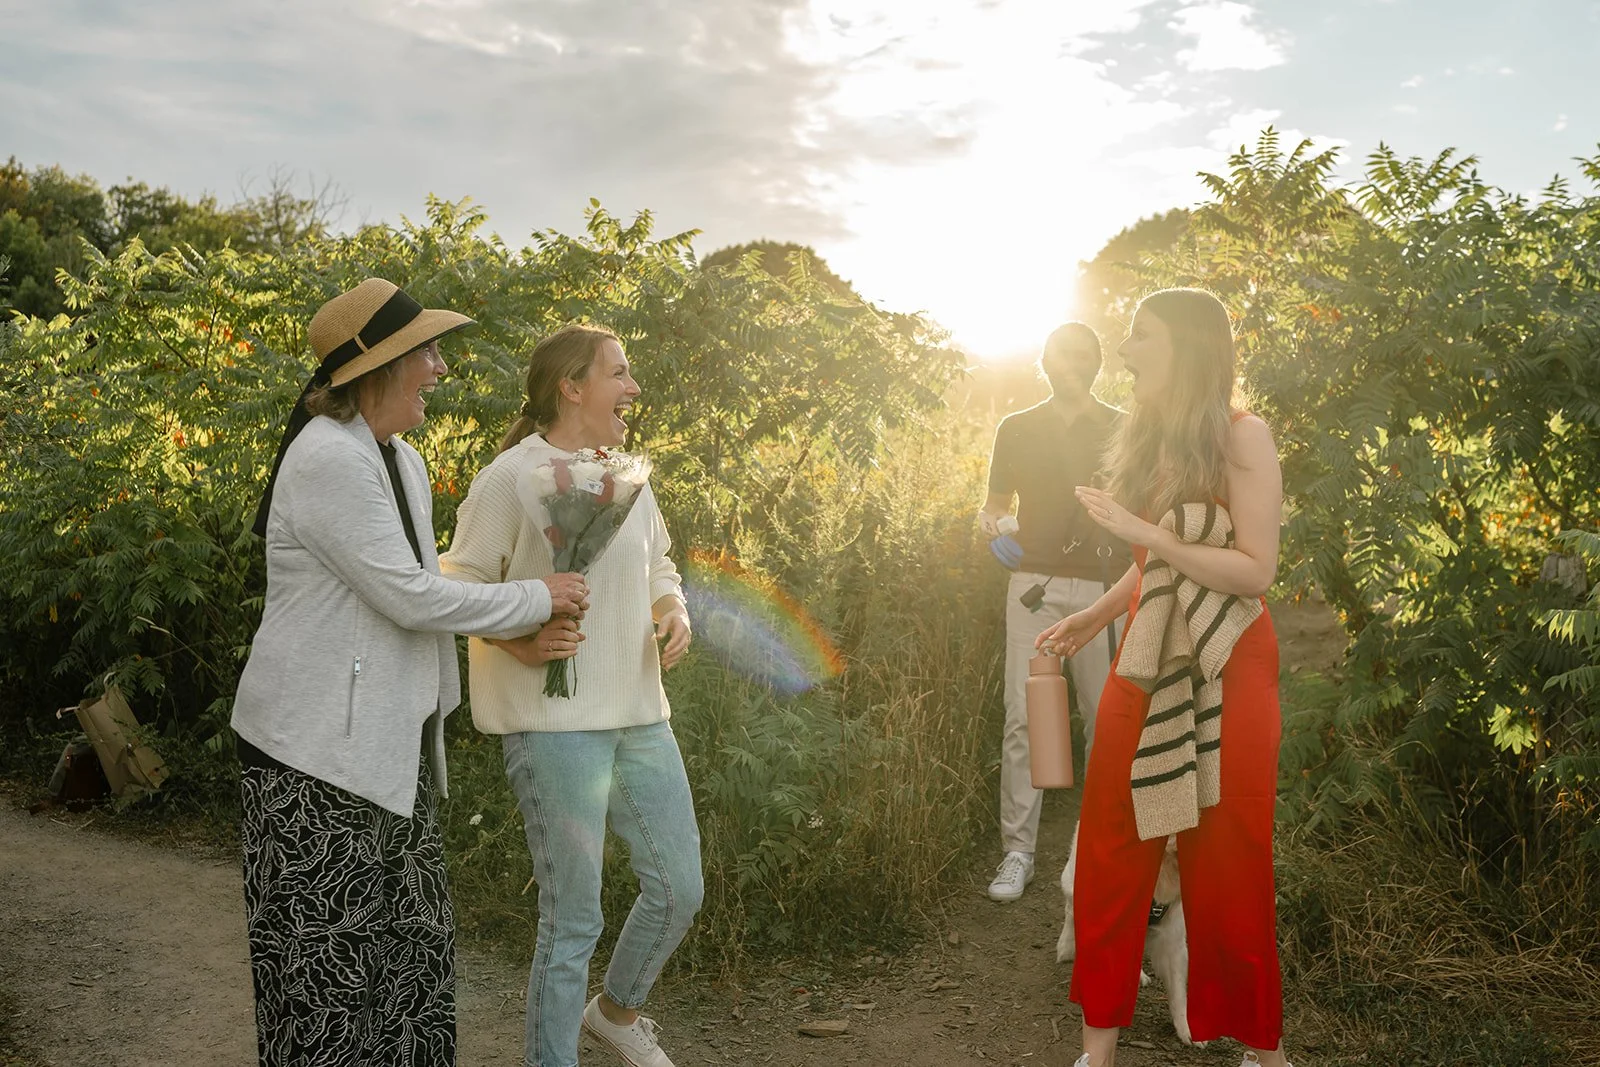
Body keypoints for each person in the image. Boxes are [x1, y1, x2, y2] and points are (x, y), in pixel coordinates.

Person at [233, 277, 589, 1066]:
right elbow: (407, 595)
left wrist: (513, 641)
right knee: (323, 1002)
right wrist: (537, 597)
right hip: (313, 765)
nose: (439, 366)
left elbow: (431, 601)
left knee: (412, 990)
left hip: (394, 763)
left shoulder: (404, 459)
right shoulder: (326, 457)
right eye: (426, 351)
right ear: (380, 366)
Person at [1036, 288, 1293, 1067]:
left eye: (1140, 336)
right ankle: (1098, 1046)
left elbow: (1254, 570)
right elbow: (1156, 566)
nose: (1126, 350)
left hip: (1231, 664)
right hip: (1145, 656)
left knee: (1227, 854)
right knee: (1113, 839)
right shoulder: (1146, 437)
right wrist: (1096, 613)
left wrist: (1145, 536)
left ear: (1184, 346)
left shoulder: (1245, 439)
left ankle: (1264, 1050)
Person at [441, 323, 701, 1067]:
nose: (634, 387)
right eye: (620, 372)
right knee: (572, 920)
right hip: (553, 728)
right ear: (572, 386)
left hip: (642, 716)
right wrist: (521, 639)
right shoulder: (510, 476)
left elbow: (660, 566)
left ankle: (616, 1012)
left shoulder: (627, 474)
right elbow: (457, 585)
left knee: (680, 887)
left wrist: (671, 611)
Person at [977, 322, 1130, 902]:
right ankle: (1018, 853)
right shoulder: (1016, 428)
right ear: (1044, 361)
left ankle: (1101, 852)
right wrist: (994, 532)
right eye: (1065, 353)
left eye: (1087, 354)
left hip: (1103, 591)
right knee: (1026, 717)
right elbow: (992, 510)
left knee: (1103, 719)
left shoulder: (1124, 427)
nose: (1076, 362)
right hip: (1031, 588)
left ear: (1098, 363)